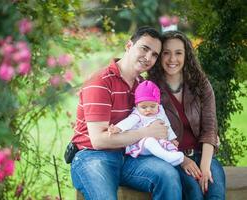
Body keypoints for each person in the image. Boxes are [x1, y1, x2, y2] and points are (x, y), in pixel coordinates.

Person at [69, 26, 182, 200]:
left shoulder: (143, 87)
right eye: (144, 49)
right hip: (92, 156)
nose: (148, 58)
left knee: (168, 175)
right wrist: (146, 133)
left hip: (130, 155)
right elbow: (99, 141)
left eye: (154, 55)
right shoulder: (100, 82)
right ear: (129, 46)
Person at [149, 30, 226, 199]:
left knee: (215, 191)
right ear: (160, 56)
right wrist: (182, 160)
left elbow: (210, 128)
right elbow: (151, 133)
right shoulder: (151, 88)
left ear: (187, 55)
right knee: (195, 194)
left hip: (203, 155)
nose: (172, 59)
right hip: (174, 159)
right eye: (166, 53)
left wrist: (205, 167)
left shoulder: (201, 84)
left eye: (178, 53)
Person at [108, 80, 184, 166]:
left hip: (159, 141)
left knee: (169, 145)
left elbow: (166, 126)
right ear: (137, 106)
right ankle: (167, 157)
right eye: (144, 107)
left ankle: (174, 157)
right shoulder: (137, 115)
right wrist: (117, 128)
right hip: (142, 145)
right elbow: (127, 122)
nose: (148, 110)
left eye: (152, 106)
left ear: (158, 104)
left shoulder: (160, 111)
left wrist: (172, 139)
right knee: (149, 141)